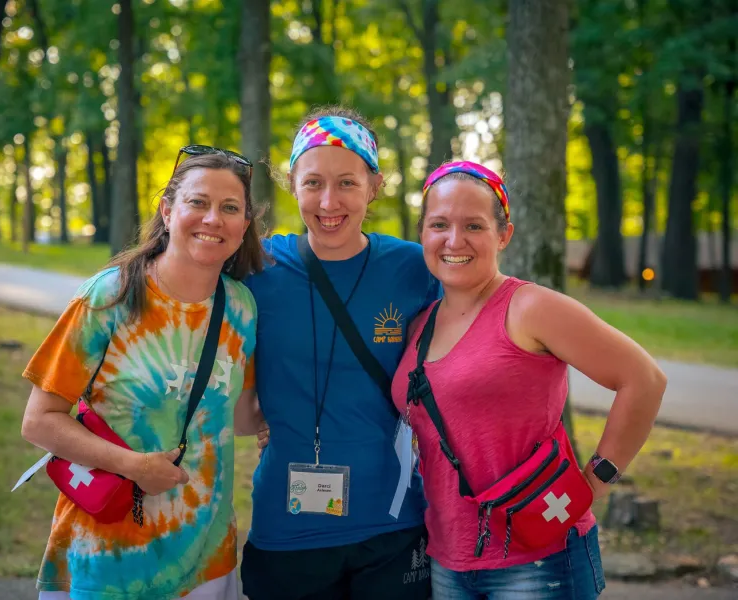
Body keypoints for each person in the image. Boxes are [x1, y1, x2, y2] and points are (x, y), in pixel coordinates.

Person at [390, 161, 668, 599]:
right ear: (422, 233)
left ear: (504, 235)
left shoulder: (529, 308)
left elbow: (644, 379)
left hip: (538, 558)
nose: (454, 240)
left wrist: (594, 482)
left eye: (474, 226)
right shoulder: (419, 325)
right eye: (438, 224)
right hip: (447, 557)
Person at [20, 149, 266, 600]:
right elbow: (39, 420)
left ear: (244, 224)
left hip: (206, 559)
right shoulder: (110, 296)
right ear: (168, 210)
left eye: (230, 208)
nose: (213, 218)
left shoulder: (241, 308)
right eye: (198, 202)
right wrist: (134, 466)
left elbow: (240, 415)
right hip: (109, 556)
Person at [239, 106, 439, 600]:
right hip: (287, 530)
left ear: (374, 186)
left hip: (392, 524)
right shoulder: (254, 267)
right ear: (292, 185)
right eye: (313, 183)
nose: (329, 201)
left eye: (347, 183)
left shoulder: (414, 269)